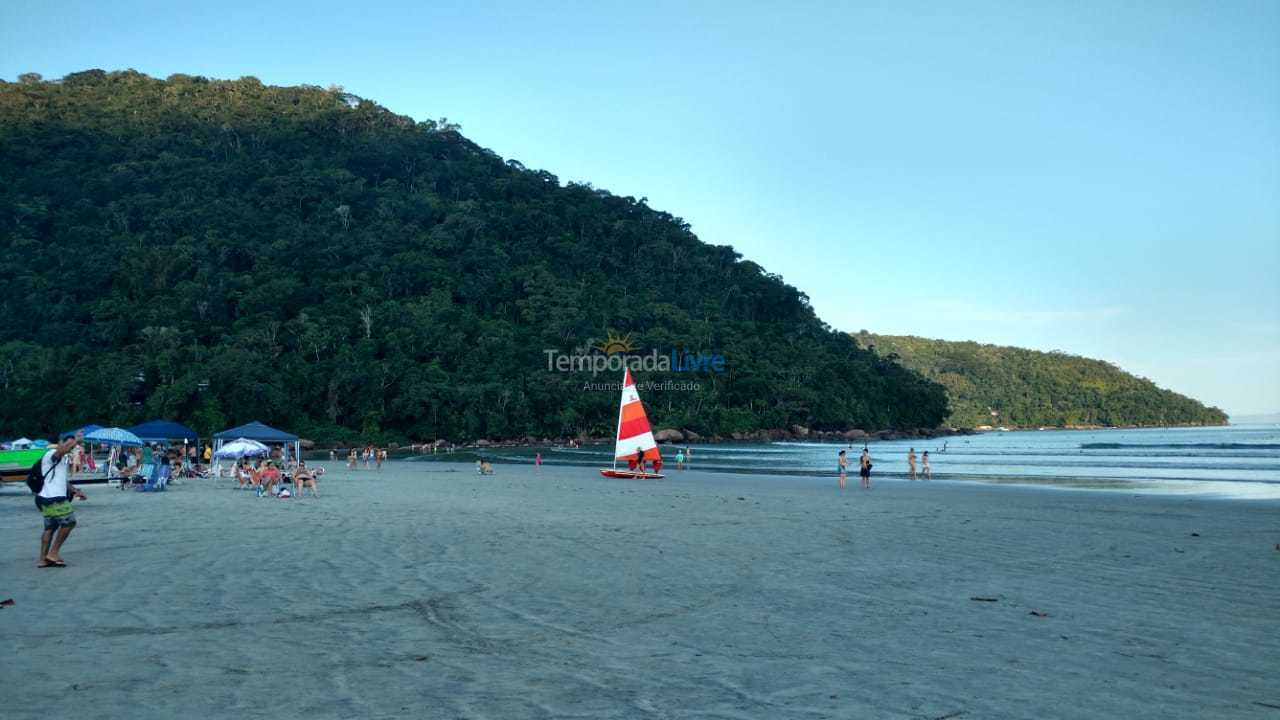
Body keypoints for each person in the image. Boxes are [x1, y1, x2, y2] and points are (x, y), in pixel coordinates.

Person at [35, 431, 87, 568]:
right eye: (67, 443)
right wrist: (75, 440)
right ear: (60, 443)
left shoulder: (57, 458)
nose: (70, 447)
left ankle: (43, 560)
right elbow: (61, 451)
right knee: (69, 523)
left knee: (50, 528)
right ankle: (53, 553)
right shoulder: (51, 454)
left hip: (46, 497)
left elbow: (61, 480)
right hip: (54, 498)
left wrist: (75, 491)